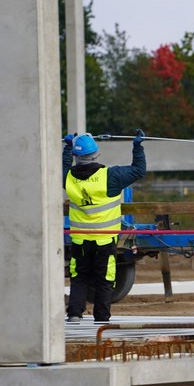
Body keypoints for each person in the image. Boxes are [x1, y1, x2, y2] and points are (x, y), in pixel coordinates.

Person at [63, 129, 147, 322]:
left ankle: (75, 314)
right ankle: (101, 318)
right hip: (104, 239)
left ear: (76, 156)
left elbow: (64, 166)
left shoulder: (68, 178)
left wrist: (67, 148)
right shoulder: (111, 176)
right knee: (105, 278)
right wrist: (137, 147)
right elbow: (139, 170)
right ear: (96, 154)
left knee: (79, 276)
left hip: (80, 240)